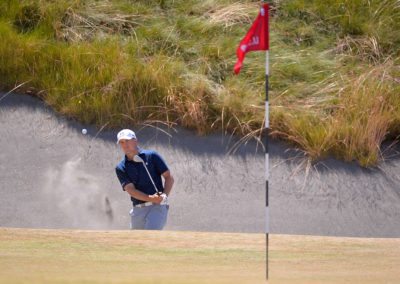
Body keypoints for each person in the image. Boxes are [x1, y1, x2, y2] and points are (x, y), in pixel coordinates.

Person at [115, 129, 174, 230]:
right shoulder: (121, 167)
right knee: (136, 242)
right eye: (121, 142)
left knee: (151, 236)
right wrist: (151, 198)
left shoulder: (152, 156)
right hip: (138, 209)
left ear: (135, 141)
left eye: (127, 141)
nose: (125, 145)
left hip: (157, 206)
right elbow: (131, 191)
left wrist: (164, 195)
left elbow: (169, 177)